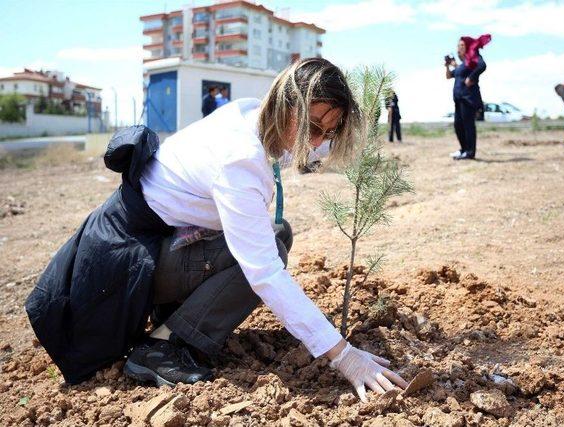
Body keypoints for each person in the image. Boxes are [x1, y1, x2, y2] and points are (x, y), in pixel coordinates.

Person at [25, 58, 408, 403]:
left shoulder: (253, 115)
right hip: (123, 265)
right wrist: (343, 355)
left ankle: (173, 319)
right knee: (268, 252)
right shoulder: (240, 159)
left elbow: (308, 148)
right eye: (313, 128)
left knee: (278, 231)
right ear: (286, 105)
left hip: (152, 244)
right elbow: (265, 273)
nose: (318, 142)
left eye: (329, 133)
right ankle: (162, 349)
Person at [445, 34, 491, 160]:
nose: (459, 48)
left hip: (468, 99)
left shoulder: (473, 58)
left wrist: (472, 77)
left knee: (468, 125)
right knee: (458, 125)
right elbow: (449, 76)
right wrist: (448, 66)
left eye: (462, 45)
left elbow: (482, 65)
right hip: (459, 99)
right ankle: (464, 150)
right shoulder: (462, 64)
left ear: (468, 46)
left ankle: (470, 153)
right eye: (458, 45)